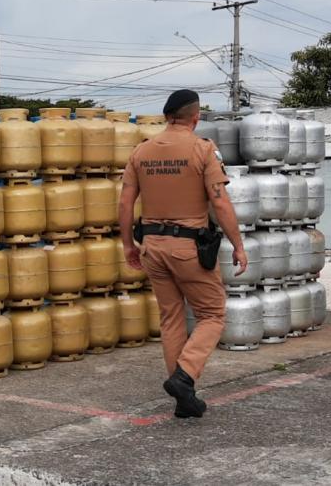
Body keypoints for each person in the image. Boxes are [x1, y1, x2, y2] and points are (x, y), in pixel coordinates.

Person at [118, 90, 248, 419]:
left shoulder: (141, 151)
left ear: (166, 117)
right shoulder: (203, 150)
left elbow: (124, 203)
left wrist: (128, 246)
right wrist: (239, 244)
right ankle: (185, 376)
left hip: (152, 247)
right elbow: (219, 201)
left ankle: (184, 400)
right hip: (188, 247)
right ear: (195, 117)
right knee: (212, 314)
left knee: (171, 318)